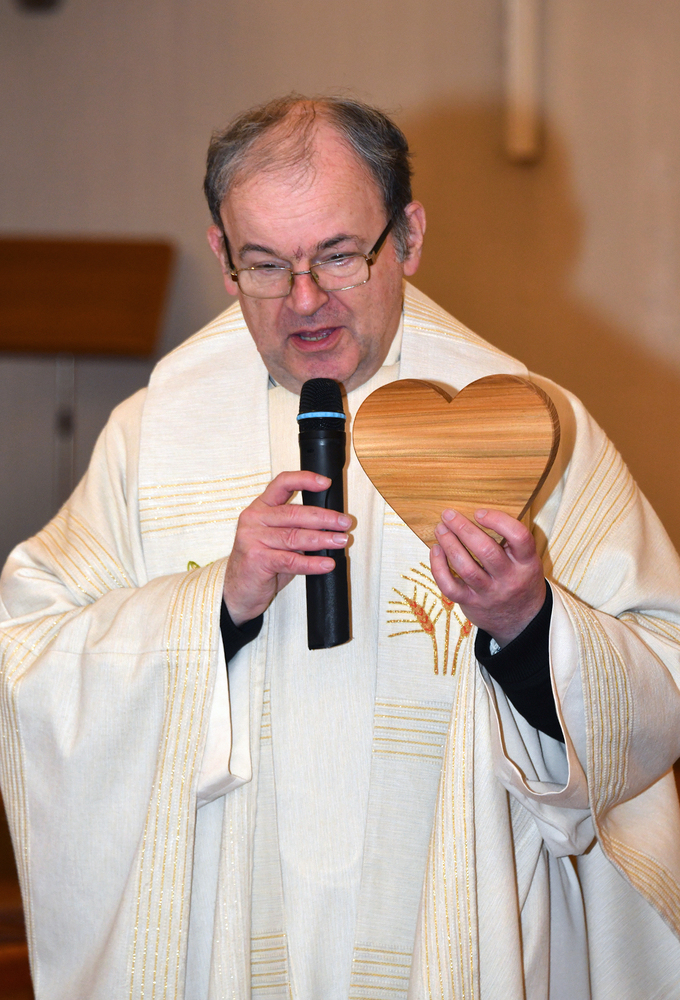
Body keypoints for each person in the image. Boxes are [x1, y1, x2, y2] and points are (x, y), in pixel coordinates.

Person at [1, 95, 680, 1000]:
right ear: (221, 256)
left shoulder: (526, 427)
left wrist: (529, 622)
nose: (304, 300)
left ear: (408, 238)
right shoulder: (155, 434)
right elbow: (29, 660)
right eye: (264, 265)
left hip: (457, 933)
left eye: (337, 255)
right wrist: (217, 605)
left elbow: (660, 678)